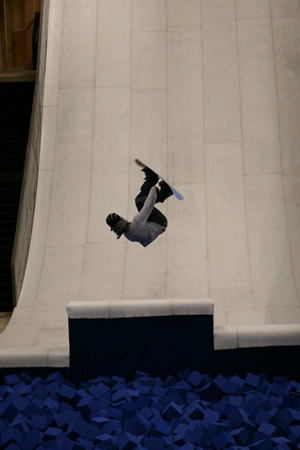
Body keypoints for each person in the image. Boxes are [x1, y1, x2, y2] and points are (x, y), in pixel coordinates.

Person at [106, 167, 173, 247]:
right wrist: (153, 190)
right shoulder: (137, 222)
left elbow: (145, 241)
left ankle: (152, 179)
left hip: (156, 227)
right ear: (121, 220)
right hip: (160, 222)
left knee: (138, 201)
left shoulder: (127, 235)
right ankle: (165, 192)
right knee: (141, 202)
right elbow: (147, 206)